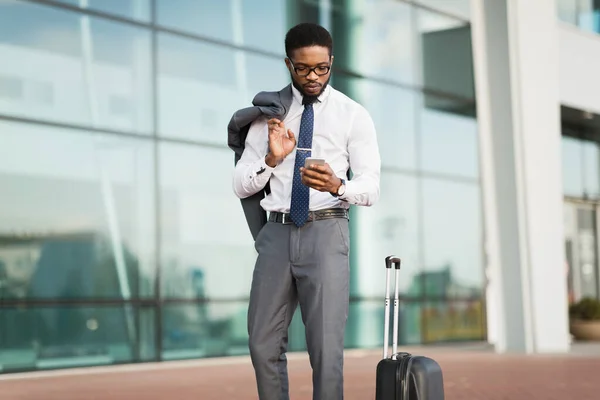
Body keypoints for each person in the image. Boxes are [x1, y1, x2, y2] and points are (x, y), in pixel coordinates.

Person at [232, 22, 381, 400]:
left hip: (327, 232)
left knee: (326, 350)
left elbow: (372, 185)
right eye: (303, 68)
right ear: (288, 64)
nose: (313, 77)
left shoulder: (353, 115)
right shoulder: (270, 116)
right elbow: (240, 183)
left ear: (331, 62)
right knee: (262, 343)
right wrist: (270, 159)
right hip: (278, 234)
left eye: (321, 68)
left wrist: (339, 185)